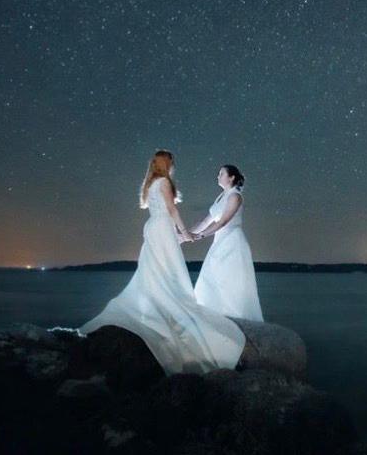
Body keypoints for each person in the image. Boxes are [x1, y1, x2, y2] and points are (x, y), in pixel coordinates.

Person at [78, 150, 246, 375]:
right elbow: (172, 209)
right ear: (167, 164)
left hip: (153, 228)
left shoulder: (151, 183)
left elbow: (211, 219)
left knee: (154, 271)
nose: (173, 165)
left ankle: (154, 305)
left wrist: (190, 235)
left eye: (221, 174)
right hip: (162, 228)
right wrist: (185, 232)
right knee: (170, 273)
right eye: (172, 162)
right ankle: (168, 310)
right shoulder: (165, 182)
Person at [189, 165, 264, 322]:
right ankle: (210, 319)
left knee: (228, 281)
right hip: (219, 242)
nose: (218, 176)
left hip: (232, 242)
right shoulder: (221, 197)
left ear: (231, 178)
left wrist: (201, 235)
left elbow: (223, 221)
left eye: (221, 173)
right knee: (210, 278)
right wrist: (186, 235)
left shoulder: (235, 196)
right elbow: (205, 221)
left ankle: (234, 320)